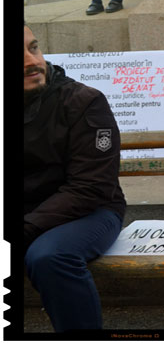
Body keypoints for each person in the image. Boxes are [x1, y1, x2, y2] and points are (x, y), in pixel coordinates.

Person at [24, 21, 126, 331]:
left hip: (89, 213)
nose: (32, 62)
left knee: (50, 257)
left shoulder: (83, 102)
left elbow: (90, 188)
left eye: (33, 47)